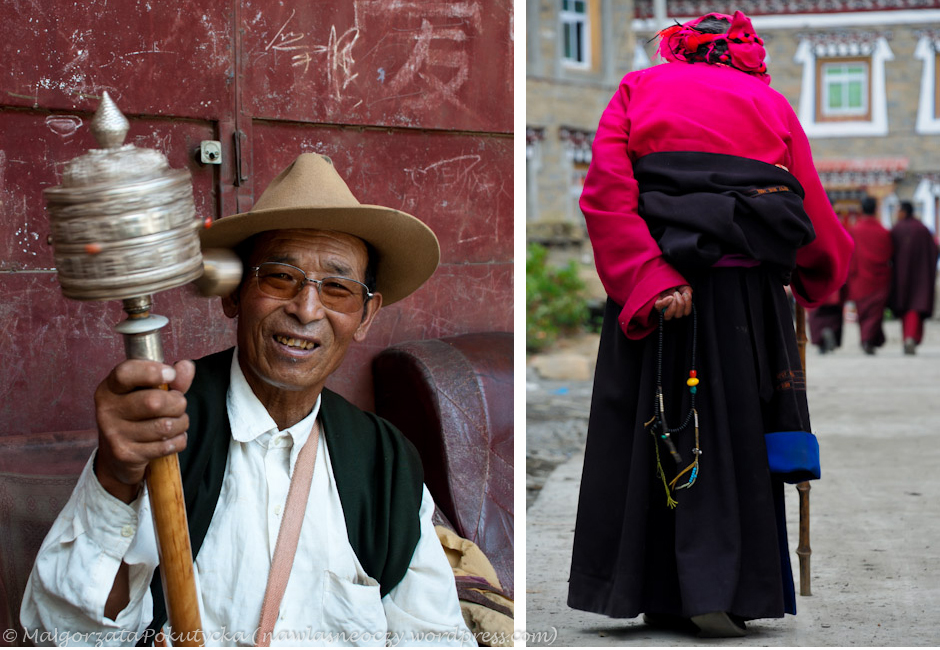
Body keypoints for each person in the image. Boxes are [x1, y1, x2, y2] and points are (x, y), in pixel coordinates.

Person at [21, 153, 476, 646]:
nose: (305, 309)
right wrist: (115, 478)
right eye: (280, 277)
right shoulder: (163, 427)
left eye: (338, 288)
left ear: (365, 316)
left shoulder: (384, 463)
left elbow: (434, 637)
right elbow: (63, 637)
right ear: (234, 294)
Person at [567, 11, 853, 638]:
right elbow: (808, 205)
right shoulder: (770, 104)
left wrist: (650, 276)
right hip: (744, 301)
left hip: (660, 289)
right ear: (744, 56)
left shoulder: (637, 90)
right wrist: (815, 275)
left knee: (654, 425)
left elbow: (606, 193)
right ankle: (726, 590)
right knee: (736, 437)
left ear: (679, 51)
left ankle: (653, 589)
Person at [889, 201, 938, 354]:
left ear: (903, 212)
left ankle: (908, 337)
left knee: (906, 309)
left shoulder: (896, 230)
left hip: (901, 277)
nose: (897, 215)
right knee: (916, 307)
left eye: (898, 211)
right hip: (921, 277)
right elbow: (934, 251)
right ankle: (912, 338)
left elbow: (888, 251)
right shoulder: (923, 230)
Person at [848, 196, 894, 355]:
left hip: (860, 278)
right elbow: (889, 254)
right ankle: (868, 340)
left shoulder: (855, 230)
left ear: (862, 210)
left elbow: (850, 254)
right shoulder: (884, 232)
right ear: (876, 210)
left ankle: (867, 339)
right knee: (875, 312)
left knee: (863, 311)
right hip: (879, 278)